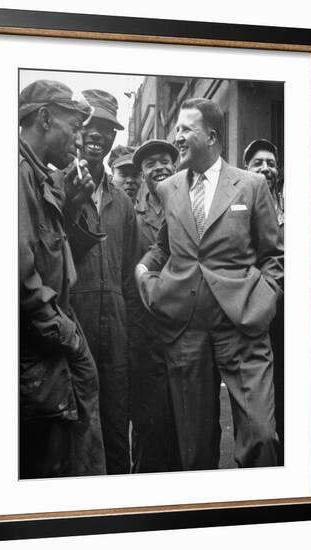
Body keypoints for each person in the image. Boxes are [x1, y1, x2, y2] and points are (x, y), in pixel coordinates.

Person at [136, 98, 284, 470]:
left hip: (244, 328)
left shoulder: (250, 185)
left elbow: (273, 256)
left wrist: (264, 300)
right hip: (185, 332)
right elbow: (163, 245)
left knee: (262, 438)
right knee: (194, 452)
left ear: (212, 136)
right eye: (178, 129)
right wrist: (145, 274)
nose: (177, 137)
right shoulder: (169, 188)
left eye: (186, 129)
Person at [18, 79, 106, 478]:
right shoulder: (17, 174)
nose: (77, 138)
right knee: (48, 466)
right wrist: (64, 332)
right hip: (41, 343)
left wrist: (70, 205)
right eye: (72, 127)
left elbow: (49, 250)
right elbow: (18, 273)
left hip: (49, 335)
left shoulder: (37, 175)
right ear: (44, 118)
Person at [66, 89, 141, 474]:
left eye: (106, 129)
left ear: (113, 138)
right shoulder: (58, 185)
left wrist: (130, 332)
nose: (97, 135)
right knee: (78, 429)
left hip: (117, 329)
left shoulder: (123, 203)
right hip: (73, 324)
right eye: (91, 126)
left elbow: (130, 277)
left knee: (115, 425)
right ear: (78, 130)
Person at [129, 139, 181, 472]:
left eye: (164, 160)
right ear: (143, 173)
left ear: (175, 166)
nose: (159, 167)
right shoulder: (130, 212)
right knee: (149, 426)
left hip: (184, 330)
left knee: (185, 425)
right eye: (151, 164)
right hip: (144, 335)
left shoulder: (191, 202)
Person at [244, 138, 285, 464]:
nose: (265, 169)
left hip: (293, 327)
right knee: (260, 420)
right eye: (258, 163)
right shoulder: (238, 208)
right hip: (256, 326)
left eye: (270, 164)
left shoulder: (296, 208)